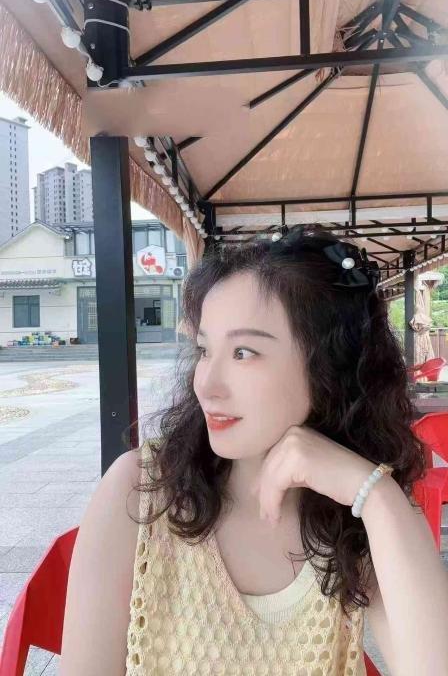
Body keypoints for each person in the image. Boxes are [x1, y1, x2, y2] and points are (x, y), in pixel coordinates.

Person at [59, 223, 448, 676]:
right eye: (205, 350)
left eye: (243, 352)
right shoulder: (141, 490)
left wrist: (375, 494)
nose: (206, 384)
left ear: (329, 367)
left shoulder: (355, 512)